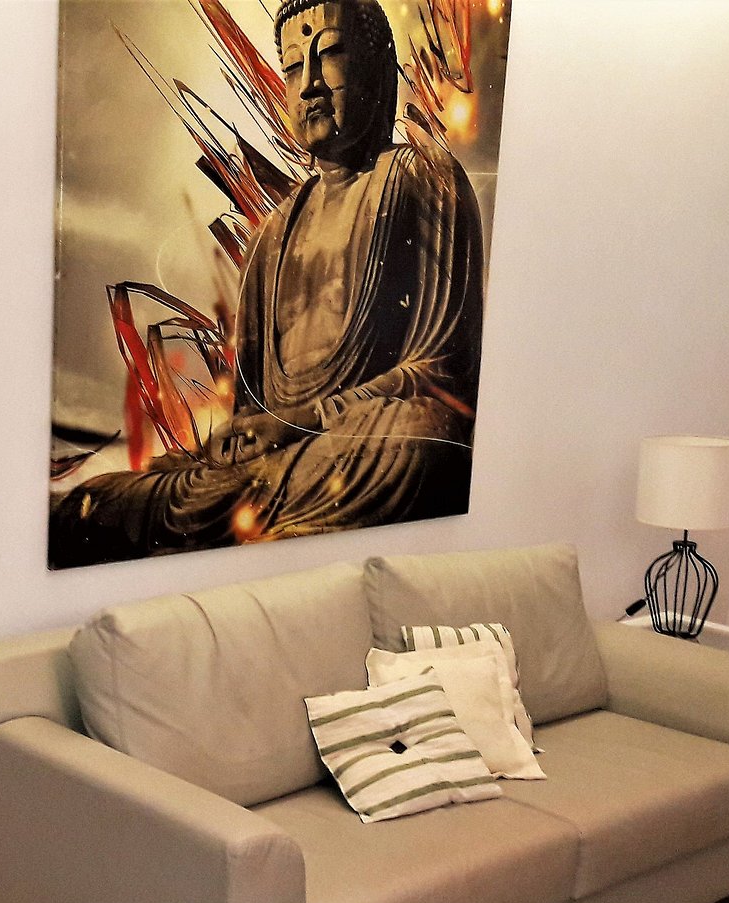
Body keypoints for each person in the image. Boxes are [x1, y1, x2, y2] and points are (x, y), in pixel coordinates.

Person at [50, 0, 485, 568]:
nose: (309, 84)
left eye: (329, 55)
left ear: (378, 69)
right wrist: (239, 439)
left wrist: (302, 422)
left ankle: (245, 519)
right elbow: (250, 408)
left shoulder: (420, 176)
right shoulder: (273, 235)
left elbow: (444, 372)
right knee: (99, 500)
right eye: (293, 66)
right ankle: (248, 514)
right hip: (284, 465)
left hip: (360, 440)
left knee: (420, 438)